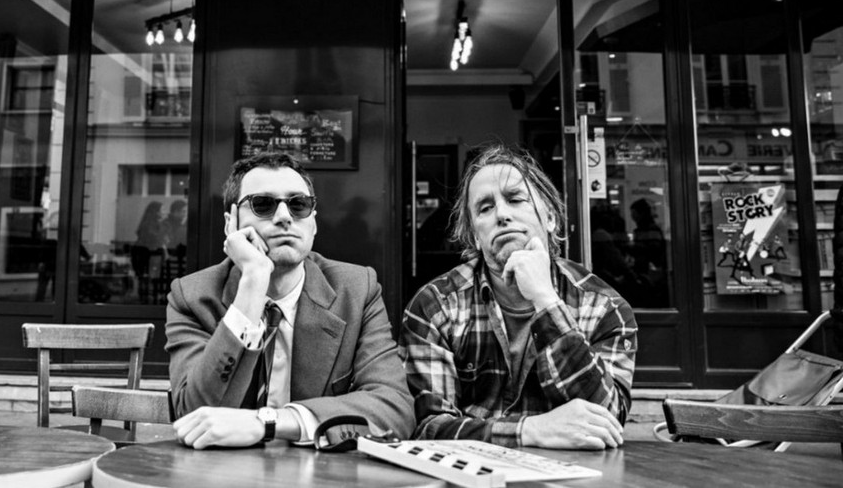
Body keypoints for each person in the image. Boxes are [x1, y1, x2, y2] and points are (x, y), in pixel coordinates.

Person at [166, 151, 414, 448]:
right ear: (231, 224)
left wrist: (271, 423)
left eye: (298, 205)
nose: (284, 216)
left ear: (313, 223)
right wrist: (253, 283)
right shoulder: (193, 296)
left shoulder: (357, 290)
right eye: (262, 204)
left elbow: (394, 408)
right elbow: (193, 416)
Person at [400, 143, 638, 450]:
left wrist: (546, 301)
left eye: (515, 199)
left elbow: (607, 420)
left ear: (550, 218)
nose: (502, 214)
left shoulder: (604, 307)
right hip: (470, 472)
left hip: (573, 471)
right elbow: (428, 428)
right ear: (475, 236)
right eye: (485, 208)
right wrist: (530, 431)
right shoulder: (435, 306)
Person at [132, 201, 164, 304]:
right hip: (147, 254)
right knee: (149, 278)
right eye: (161, 210)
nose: (163, 212)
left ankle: (145, 299)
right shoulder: (151, 224)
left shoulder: (147, 223)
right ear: (156, 212)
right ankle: (148, 300)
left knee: (144, 279)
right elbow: (154, 239)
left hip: (142, 253)